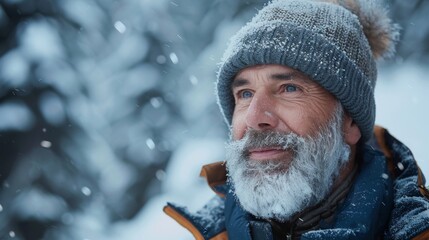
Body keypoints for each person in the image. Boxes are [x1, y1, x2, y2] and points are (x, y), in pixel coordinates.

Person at [163, 0, 429, 239]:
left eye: (289, 88)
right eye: (245, 94)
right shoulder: (212, 232)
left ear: (350, 121)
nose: (256, 118)